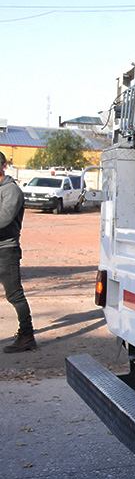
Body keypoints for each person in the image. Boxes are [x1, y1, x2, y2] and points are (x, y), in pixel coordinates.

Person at [0, 151, 36, 353]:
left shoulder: (11, 190)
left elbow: (5, 217)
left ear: (3, 165)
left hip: (6, 250)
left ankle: (27, 335)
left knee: (14, 295)